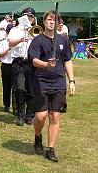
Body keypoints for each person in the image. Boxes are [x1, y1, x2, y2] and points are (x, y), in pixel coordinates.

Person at [28, 10, 75, 162]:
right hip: (41, 82)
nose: (51, 22)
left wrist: (72, 80)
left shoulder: (63, 40)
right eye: (49, 19)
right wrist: (46, 64)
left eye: (54, 20)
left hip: (58, 82)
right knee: (41, 116)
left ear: (57, 23)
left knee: (55, 115)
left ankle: (51, 149)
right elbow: (34, 61)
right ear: (44, 22)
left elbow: (67, 61)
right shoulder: (37, 40)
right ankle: (37, 136)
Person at [8, 8, 36, 126]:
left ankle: (29, 115)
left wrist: (32, 33)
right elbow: (10, 43)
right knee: (20, 88)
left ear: (33, 18)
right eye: (26, 16)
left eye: (30, 17)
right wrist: (21, 39)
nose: (28, 19)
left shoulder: (36, 30)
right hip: (19, 61)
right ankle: (20, 115)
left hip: (32, 62)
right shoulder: (15, 30)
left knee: (32, 89)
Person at [0, 24, 15, 114]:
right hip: (6, 65)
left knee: (16, 87)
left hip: (15, 64)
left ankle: (16, 107)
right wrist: (9, 49)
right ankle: (6, 105)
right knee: (6, 86)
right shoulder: (3, 41)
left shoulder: (17, 40)